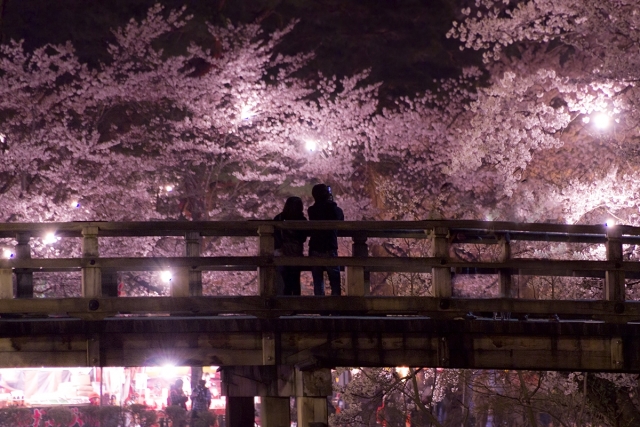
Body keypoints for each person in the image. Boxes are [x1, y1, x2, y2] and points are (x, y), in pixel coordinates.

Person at [308, 183, 344, 295]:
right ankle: (335, 309)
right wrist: (332, 203)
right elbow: (341, 219)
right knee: (335, 281)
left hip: (315, 247)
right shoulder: (333, 209)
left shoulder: (311, 210)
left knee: (318, 282)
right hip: (330, 247)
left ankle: (321, 309)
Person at [274, 196, 307, 295]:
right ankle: (296, 305)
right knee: (295, 279)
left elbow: (275, 236)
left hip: (281, 252)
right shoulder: (302, 220)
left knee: (285, 281)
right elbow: (303, 238)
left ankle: (285, 304)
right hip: (296, 252)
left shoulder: (279, 218)